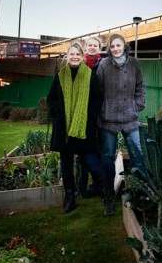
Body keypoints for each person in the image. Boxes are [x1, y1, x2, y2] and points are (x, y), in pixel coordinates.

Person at [47, 41, 108, 215]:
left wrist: (88, 117)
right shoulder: (60, 75)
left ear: (82, 57)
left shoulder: (89, 75)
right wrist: (56, 112)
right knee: (66, 165)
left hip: (83, 128)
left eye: (77, 54)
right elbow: (51, 98)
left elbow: (97, 98)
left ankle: (106, 194)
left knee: (91, 162)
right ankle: (70, 199)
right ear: (67, 56)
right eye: (71, 54)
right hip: (64, 129)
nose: (74, 57)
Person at [96, 33, 146, 215]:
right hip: (108, 119)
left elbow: (140, 86)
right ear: (109, 49)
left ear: (125, 46)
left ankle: (141, 193)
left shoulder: (134, 64)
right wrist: (102, 110)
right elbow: (98, 91)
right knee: (107, 157)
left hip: (130, 119)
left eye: (118, 45)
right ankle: (108, 196)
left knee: (138, 154)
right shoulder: (103, 65)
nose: (116, 49)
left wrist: (138, 104)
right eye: (112, 46)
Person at [76, 36, 103, 198]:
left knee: (97, 150)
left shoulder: (104, 65)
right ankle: (82, 187)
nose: (92, 48)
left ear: (99, 48)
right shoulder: (79, 64)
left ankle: (97, 186)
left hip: (98, 115)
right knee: (81, 153)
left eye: (96, 45)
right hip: (81, 116)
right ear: (85, 48)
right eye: (90, 45)